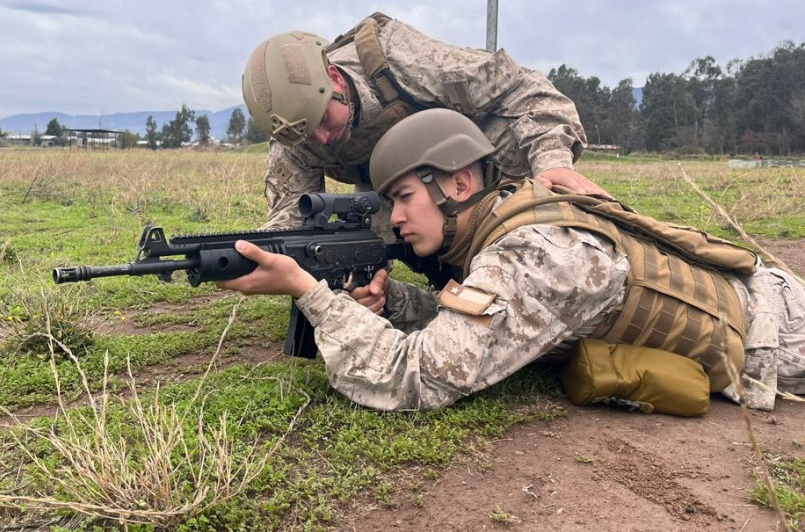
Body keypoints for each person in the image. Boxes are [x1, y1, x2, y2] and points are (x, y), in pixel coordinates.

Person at [218, 109, 805, 412]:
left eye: (403, 198)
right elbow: (481, 320)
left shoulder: (533, 254)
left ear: (460, 180)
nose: (394, 220)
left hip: (781, 337)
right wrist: (393, 302)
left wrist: (309, 293)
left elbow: (416, 378)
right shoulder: (509, 226)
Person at [241, 12, 607, 239]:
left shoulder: (399, 59)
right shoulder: (293, 129)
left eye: (322, 120)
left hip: (464, 168)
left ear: (334, 78)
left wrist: (552, 161)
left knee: (509, 141)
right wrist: (250, 253)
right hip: (394, 194)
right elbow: (290, 220)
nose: (320, 138)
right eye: (306, 134)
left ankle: (508, 247)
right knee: (362, 240)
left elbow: (526, 89)